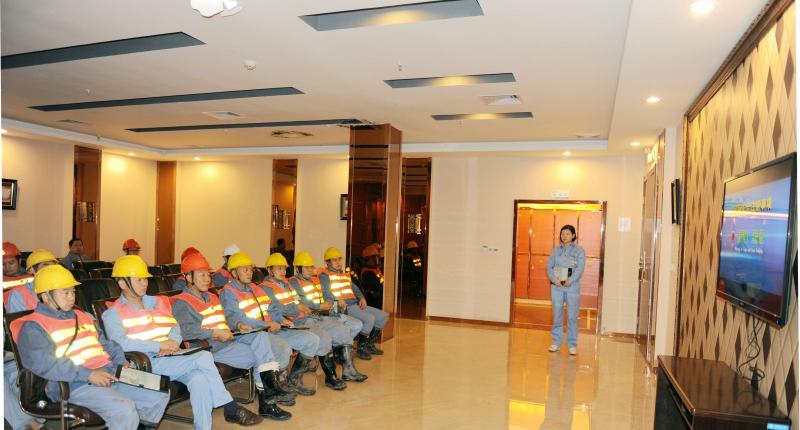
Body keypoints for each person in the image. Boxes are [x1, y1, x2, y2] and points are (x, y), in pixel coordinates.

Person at [101, 255, 262, 429]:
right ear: (122, 283)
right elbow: (121, 344)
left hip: (169, 357)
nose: (145, 283)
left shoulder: (156, 302)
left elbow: (174, 326)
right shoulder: (113, 313)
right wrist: (158, 345)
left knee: (200, 379)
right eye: (139, 280)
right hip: (143, 364)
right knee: (203, 357)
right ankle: (229, 406)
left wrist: (173, 341)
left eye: (145, 279)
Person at [11, 264, 169, 430]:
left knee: (160, 389)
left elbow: (108, 344)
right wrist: (89, 374)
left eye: (73, 291)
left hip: (110, 371)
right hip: (74, 383)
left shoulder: (81, 316)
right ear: (45, 296)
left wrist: (121, 362)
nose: (72, 297)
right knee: (123, 409)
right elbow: (47, 364)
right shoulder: (34, 327)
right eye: (65, 292)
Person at [170, 252, 294, 420]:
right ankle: (268, 402)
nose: (207, 279)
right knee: (262, 355)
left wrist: (238, 324)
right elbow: (185, 331)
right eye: (202, 275)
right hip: (208, 350)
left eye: (208, 274)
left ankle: (269, 396)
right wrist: (214, 333)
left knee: (261, 340)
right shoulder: (182, 301)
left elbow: (227, 317)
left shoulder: (212, 297)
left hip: (227, 343)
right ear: (188, 277)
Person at [218, 252, 320, 396]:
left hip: (271, 329)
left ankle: (293, 380)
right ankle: (276, 384)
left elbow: (271, 307)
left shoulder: (255, 287)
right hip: (252, 333)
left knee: (312, 340)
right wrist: (266, 324)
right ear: (234, 273)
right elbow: (237, 318)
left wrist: (281, 319)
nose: (249, 273)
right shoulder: (228, 292)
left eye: (250, 269)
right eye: (245, 270)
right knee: (283, 348)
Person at [262, 252, 364, 388]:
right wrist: (300, 308)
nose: (283, 271)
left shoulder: (286, 284)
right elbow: (282, 308)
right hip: (294, 322)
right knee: (323, 337)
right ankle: (329, 377)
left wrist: (304, 307)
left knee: (342, 330)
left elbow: (299, 301)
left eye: (284, 268)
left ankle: (346, 370)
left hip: (313, 316)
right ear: (270, 270)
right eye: (279, 268)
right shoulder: (267, 287)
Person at [318, 246, 387, 360]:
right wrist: (337, 299)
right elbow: (326, 293)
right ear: (328, 262)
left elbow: (355, 288)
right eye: (334, 260)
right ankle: (360, 348)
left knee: (382, 316)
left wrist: (361, 297)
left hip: (355, 304)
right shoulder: (325, 276)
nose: (338, 262)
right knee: (369, 319)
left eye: (339, 259)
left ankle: (369, 344)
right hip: (345, 307)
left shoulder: (344, 274)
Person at [546, 225, 586, 355]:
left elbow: (580, 269)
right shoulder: (556, 250)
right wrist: (554, 279)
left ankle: (572, 344)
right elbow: (549, 267)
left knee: (572, 316)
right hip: (557, 287)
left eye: (568, 234)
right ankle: (556, 342)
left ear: (573, 235)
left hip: (572, 288)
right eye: (563, 233)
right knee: (557, 314)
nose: (564, 236)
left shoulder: (579, 251)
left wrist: (571, 280)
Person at [5, 249, 59, 313]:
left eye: (53, 266)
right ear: (32, 270)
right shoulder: (18, 296)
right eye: (46, 266)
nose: (52, 270)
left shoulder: (62, 289)